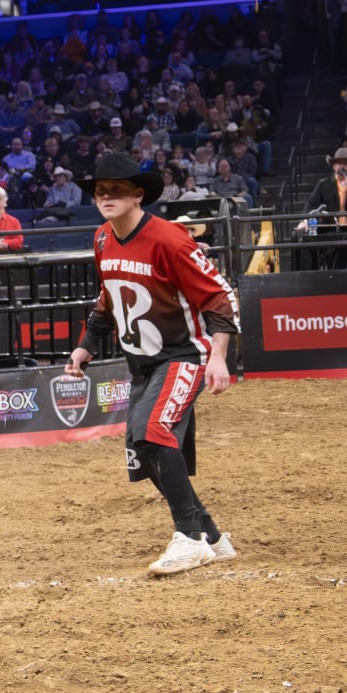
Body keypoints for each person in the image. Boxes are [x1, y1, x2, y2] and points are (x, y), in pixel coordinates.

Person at [65, 152, 241, 576]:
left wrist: (218, 356)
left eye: (116, 188)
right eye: (99, 189)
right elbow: (108, 298)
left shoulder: (170, 239)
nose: (106, 194)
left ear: (138, 194)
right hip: (141, 362)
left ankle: (189, 538)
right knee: (144, 448)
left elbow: (220, 295)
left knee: (154, 431)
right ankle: (211, 536)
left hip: (183, 354)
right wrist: (86, 345)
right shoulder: (102, 239)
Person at [305, 146, 347, 269]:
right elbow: (311, 204)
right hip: (332, 233)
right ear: (334, 166)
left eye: (346, 164)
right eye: (339, 163)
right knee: (336, 257)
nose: (342, 167)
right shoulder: (324, 184)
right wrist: (305, 220)